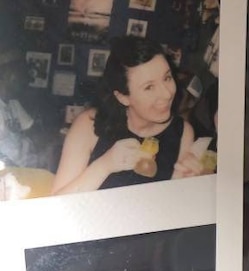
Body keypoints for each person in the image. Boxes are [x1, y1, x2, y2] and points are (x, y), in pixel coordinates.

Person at [52, 36, 201, 194]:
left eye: (167, 78)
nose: (166, 94)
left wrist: (183, 184)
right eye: (149, 87)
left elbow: (170, 206)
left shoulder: (183, 131)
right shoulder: (88, 124)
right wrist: (105, 165)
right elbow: (57, 207)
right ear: (123, 97)